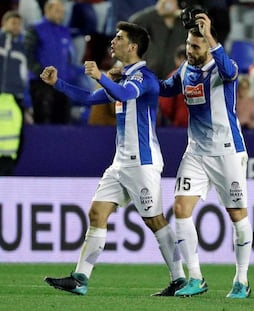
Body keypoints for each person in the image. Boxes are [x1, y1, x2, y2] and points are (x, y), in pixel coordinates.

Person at [41, 21, 186, 297]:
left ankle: (180, 279)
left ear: (132, 47)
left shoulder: (144, 78)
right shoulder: (123, 77)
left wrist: (101, 76)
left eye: (119, 38)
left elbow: (125, 94)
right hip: (120, 163)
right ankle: (80, 278)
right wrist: (56, 83)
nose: (113, 41)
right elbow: (88, 99)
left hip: (142, 162)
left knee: (155, 220)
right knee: (97, 212)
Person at [159, 12, 253, 298]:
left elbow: (231, 72)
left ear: (209, 46)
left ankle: (241, 280)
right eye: (189, 44)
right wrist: (133, 80)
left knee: (237, 216)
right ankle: (196, 278)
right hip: (196, 152)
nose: (189, 50)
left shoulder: (224, 69)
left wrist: (210, 35)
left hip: (226, 152)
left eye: (196, 46)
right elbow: (165, 89)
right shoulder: (186, 69)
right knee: (180, 209)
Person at [24, 0, 76, 124]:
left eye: (62, 12)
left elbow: (68, 58)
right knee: (43, 122)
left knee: (62, 122)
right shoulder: (35, 29)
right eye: (57, 11)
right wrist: (42, 72)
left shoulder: (65, 31)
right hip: (41, 83)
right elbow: (27, 54)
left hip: (61, 83)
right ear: (47, 10)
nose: (60, 15)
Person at [0, 10, 33, 124]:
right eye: (13, 23)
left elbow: (24, 75)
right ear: (4, 23)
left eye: (19, 24)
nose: (16, 27)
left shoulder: (22, 47)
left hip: (14, 96)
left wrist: (25, 98)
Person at [128, 0, 187, 79]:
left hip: (174, 79)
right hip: (148, 77)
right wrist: (156, 10)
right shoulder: (150, 20)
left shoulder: (185, 23)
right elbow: (132, 24)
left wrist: (181, 12)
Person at [158, 43, 188, 127]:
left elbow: (165, 105)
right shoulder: (203, 75)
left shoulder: (175, 77)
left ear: (180, 58)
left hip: (180, 126)